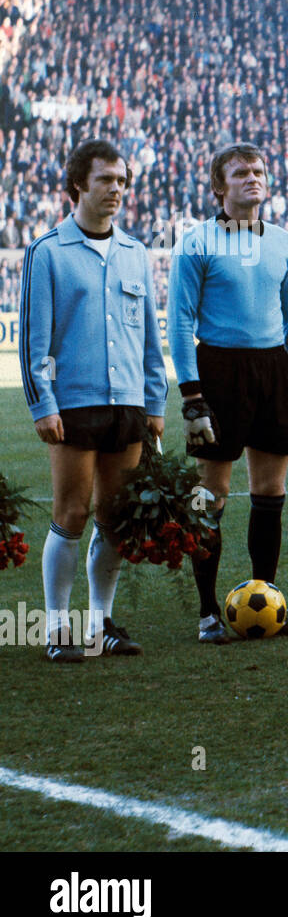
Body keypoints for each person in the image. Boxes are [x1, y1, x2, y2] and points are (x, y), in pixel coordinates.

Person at [168, 143, 288, 643]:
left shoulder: (281, 241)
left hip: (273, 370)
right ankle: (208, 612)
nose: (252, 178)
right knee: (210, 495)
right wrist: (192, 396)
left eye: (258, 171)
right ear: (219, 187)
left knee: (270, 492)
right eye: (240, 173)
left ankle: (267, 604)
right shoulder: (196, 242)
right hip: (218, 372)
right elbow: (180, 323)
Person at [20, 139, 166, 661]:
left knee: (114, 516)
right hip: (74, 403)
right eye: (106, 180)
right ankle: (57, 627)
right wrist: (43, 403)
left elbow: (151, 339)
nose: (117, 190)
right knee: (73, 512)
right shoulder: (47, 252)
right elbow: (34, 340)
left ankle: (101, 621)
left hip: (127, 404)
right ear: (79, 183)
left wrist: (155, 402)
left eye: (122, 181)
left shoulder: (134, 252)